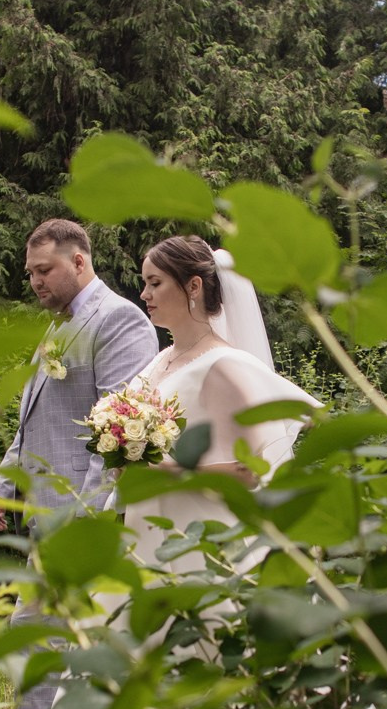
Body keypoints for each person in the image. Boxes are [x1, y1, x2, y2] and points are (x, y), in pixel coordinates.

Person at [0, 218, 158, 709]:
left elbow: (120, 435)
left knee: (59, 642)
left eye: (45, 270)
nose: (36, 281)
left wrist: (85, 517)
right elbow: (38, 414)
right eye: (31, 273)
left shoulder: (118, 320)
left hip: (82, 517)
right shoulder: (59, 321)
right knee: (39, 641)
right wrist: (5, 479)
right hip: (46, 511)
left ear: (79, 261)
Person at [122, 234, 319, 582]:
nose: (144, 295)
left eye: (155, 283)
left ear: (193, 286)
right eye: (144, 283)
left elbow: (247, 472)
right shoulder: (161, 360)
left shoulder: (225, 366)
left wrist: (154, 473)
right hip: (150, 531)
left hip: (203, 542)